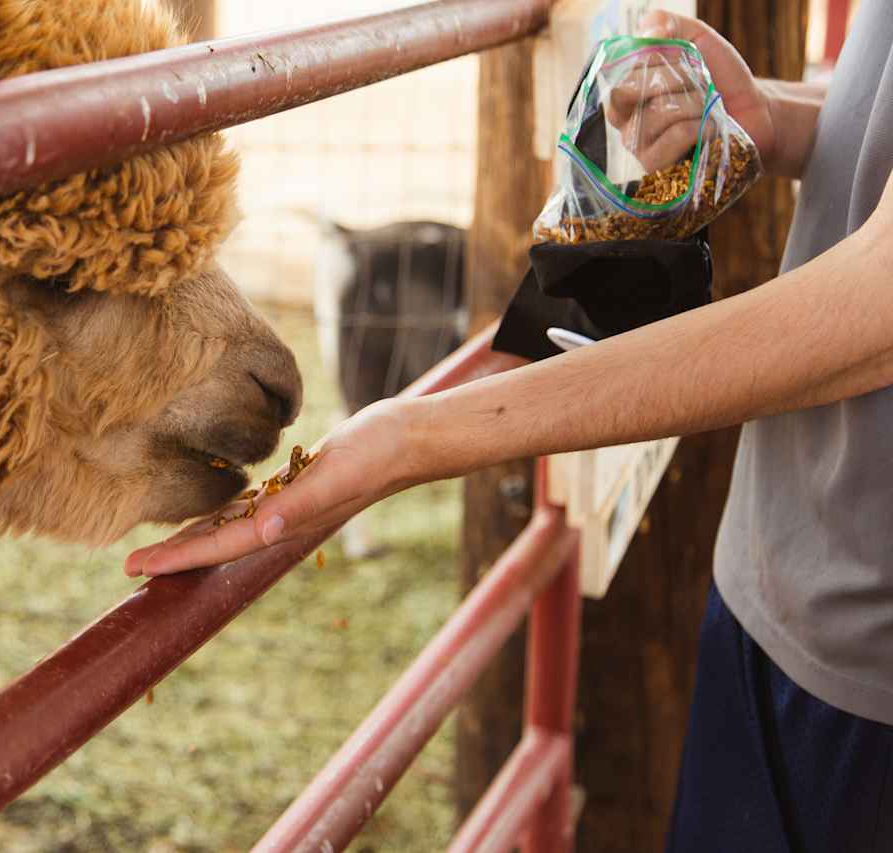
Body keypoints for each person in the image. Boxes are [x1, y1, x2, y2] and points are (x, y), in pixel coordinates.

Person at [126, 5, 893, 851]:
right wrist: (775, 122)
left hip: (866, 671)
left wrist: (415, 438)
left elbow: (877, 308)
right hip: (780, 567)